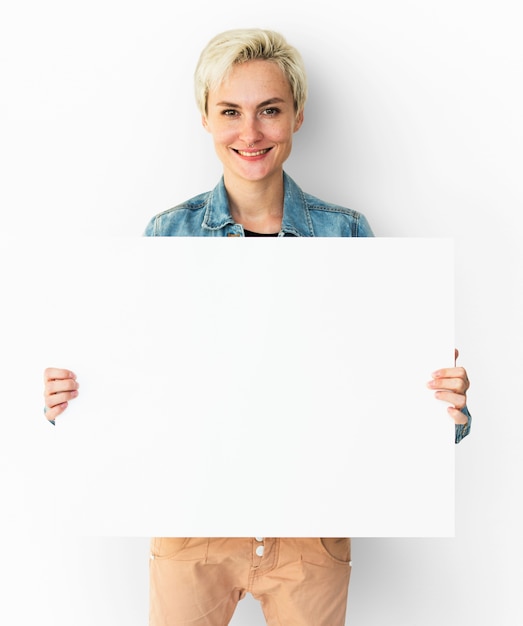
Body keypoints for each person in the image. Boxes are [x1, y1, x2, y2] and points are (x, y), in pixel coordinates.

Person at [43, 28, 471, 626]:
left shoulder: (345, 234)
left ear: (297, 115)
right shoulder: (165, 236)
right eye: (230, 112)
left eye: (270, 110)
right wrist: (74, 404)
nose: (251, 133)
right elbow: (134, 383)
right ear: (205, 119)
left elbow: (383, 394)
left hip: (310, 529)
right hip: (192, 527)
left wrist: (444, 411)